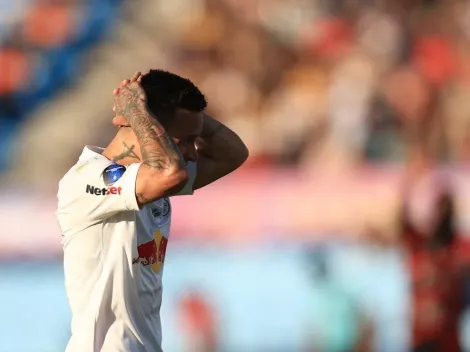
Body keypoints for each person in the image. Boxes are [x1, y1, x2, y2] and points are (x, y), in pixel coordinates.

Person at [56, 70, 248, 352]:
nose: (193, 153)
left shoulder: (150, 180)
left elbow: (232, 154)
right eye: (185, 141)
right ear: (144, 127)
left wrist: (166, 110)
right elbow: (171, 174)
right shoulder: (87, 179)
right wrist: (141, 113)